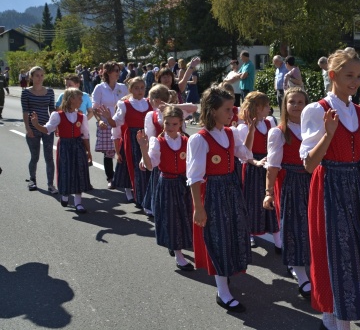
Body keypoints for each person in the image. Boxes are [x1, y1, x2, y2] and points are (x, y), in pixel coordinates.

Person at [300, 49, 360, 330]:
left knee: (354, 253)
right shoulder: (315, 110)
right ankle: (332, 317)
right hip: (327, 186)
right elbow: (310, 165)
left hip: (353, 188)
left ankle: (338, 316)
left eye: (359, 76)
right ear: (333, 75)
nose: (356, 82)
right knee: (329, 252)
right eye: (350, 76)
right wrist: (328, 134)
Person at [187, 86, 254, 313]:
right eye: (227, 108)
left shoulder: (230, 133)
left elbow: (245, 154)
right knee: (219, 238)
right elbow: (194, 177)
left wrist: (251, 133)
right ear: (213, 110)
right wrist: (198, 207)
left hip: (231, 188)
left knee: (233, 233)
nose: (232, 112)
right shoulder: (199, 139)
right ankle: (222, 291)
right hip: (213, 192)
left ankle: (226, 279)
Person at [264, 87, 312, 299]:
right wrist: (268, 192)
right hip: (290, 181)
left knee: (311, 226)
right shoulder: (279, 132)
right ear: (285, 105)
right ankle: (300, 273)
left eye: (301, 102)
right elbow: (273, 166)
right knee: (293, 226)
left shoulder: (314, 129)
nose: (296, 106)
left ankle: (304, 264)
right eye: (292, 102)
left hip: (312, 180)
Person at [138, 106, 194, 270]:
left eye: (174, 124)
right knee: (172, 218)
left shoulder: (187, 141)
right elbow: (150, 166)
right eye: (167, 124)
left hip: (184, 183)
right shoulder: (158, 141)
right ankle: (179, 255)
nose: (170, 128)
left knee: (186, 216)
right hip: (168, 183)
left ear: (181, 124)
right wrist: (143, 147)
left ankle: (177, 243)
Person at [30, 88, 93, 213]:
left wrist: (88, 151)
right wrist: (36, 125)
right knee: (65, 170)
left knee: (79, 172)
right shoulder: (57, 115)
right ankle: (64, 194)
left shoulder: (81, 116)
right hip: (64, 145)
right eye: (79, 98)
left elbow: (85, 135)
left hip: (78, 145)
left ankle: (78, 202)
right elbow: (48, 129)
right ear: (70, 99)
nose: (81, 101)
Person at [98, 77, 153, 206]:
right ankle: (138, 196)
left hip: (147, 137)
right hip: (133, 139)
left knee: (149, 167)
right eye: (136, 88)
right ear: (130, 89)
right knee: (136, 168)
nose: (140, 91)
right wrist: (108, 118)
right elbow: (115, 123)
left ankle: (147, 195)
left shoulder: (150, 103)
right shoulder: (125, 104)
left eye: (142, 88)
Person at [237, 91, 280, 249]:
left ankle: (277, 238)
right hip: (253, 167)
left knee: (272, 200)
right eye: (266, 106)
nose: (269, 108)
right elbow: (244, 153)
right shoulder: (242, 128)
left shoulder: (270, 122)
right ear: (257, 108)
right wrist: (251, 130)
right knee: (252, 203)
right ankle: (250, 234)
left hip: (268, 165)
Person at [92, 62, 129, 189]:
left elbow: (128, 103)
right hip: (106, 123)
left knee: (122, 151)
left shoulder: (123, 87)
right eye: (115, 70)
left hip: (121, 123)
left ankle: (123, 177)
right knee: (109, 152)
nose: (118, 73)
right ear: (107, 72)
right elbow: (95, 108)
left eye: (119, 70)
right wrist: (99, 120)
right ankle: (110, 177)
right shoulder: (100, 88)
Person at [21, 66, 57, 193]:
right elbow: (25, 111)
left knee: (49, 158)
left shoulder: (50, 92)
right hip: (33, 128)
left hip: (46, 128)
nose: (40, 78)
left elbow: (52, 110)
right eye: (37, 75)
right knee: (34, 157)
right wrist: (27, 128)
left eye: (42, 75)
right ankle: (32, 180)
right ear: (31, 77)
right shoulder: (26, 93)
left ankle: (51, 184)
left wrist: (55, 125)